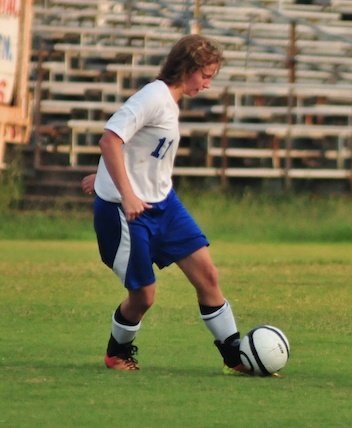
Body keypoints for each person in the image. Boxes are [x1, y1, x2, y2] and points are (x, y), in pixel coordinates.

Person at [81, 34, 247, 375]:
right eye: (206, 75)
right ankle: (117, 352)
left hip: (164, 204)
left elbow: (136, 148)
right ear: (187, 68)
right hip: (126, 212)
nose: (208, 84)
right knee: (144, 296)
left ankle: (235, 357)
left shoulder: (170, 101)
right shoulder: (153, 96)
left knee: (208, 275)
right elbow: (110, 140)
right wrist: (124, 192)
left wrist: (104, 174)